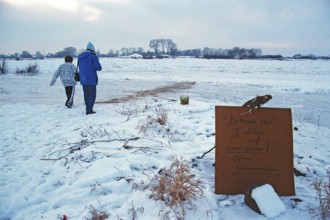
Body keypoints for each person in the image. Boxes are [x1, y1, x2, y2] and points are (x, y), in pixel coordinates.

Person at [78, 42, 102, 115]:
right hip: (91, 79)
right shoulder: (93, 56)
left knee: (86, 94)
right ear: (93, 49)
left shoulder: (80, 57)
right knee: (92, 94)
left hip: (83, 78)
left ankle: (88, 108)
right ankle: (89, 110)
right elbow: (98, 68)